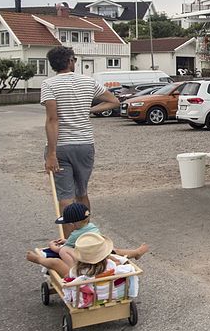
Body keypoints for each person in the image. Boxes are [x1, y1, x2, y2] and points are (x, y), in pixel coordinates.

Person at [41, 46, 119, 238]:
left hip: (61, 147)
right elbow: (113, 101)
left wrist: (51, 154)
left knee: (65, 197)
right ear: (69, 61)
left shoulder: (49, 85)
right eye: (74, 59)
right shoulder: (88, 82)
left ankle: (69, 243)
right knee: (82, 192)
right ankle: (87, 238)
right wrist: (90, 110)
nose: (74, 62)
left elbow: (53, 120)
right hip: (85, 145)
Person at [26, 203, 148, 278]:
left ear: (73, 224)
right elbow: (111, 258)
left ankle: (42, 259)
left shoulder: (78, 275)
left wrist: (51, 247)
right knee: (113, 251)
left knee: (64, 251)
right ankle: (134, 253)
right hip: (101, 253)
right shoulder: (110, 264)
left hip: (81, 271)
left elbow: (57, 259)